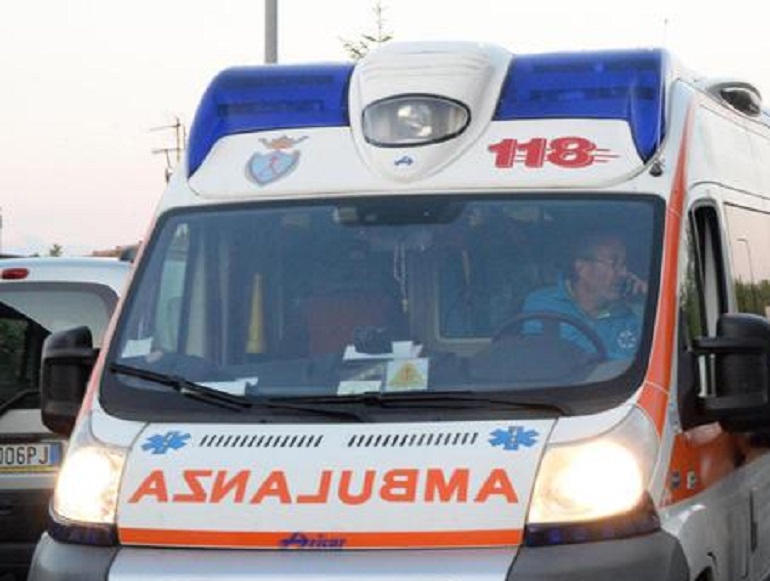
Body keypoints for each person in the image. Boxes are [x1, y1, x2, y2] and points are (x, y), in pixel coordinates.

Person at [520, 231, 647, 360]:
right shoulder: (545, 303)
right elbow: (546, 355)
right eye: (614, 264)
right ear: (581, 268)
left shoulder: (631, 314)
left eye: (624, 265)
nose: (623, 273)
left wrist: (646, 303)